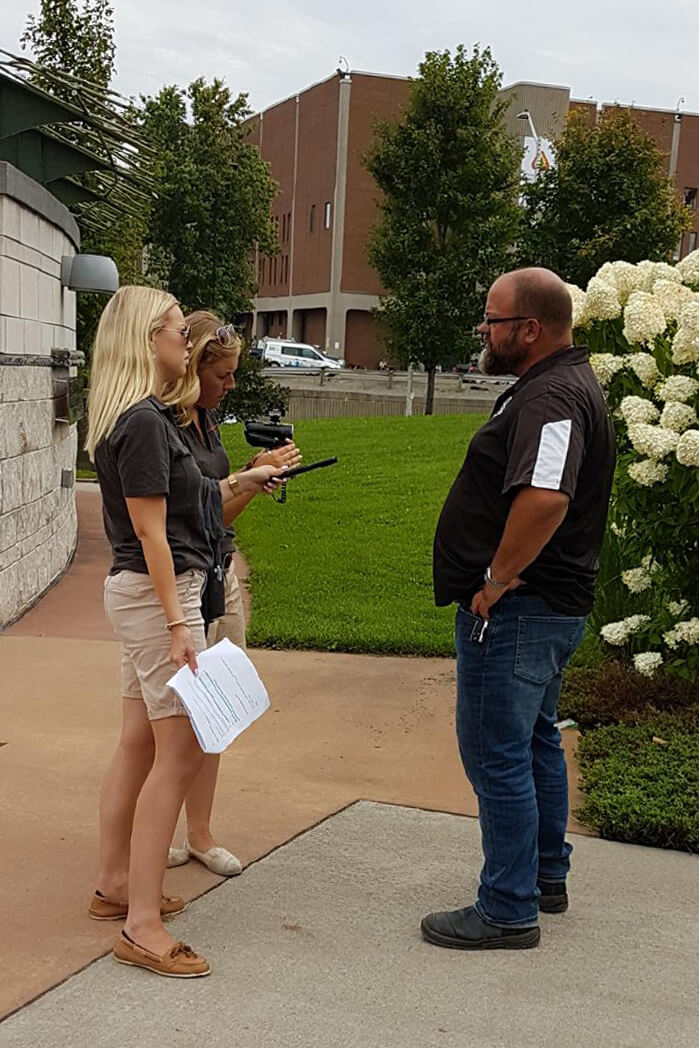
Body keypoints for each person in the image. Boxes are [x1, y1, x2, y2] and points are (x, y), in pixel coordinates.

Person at [86, 286, 283, 978]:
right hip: (155, 599)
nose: (183, 339)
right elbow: (150, 532)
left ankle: (117, 888)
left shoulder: (150, 419)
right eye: (173, 329)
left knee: (143, 740)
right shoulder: (143, 421)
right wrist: (178, 624)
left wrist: (247, 480)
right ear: (147, 342)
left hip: (154, 595)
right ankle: (141, 927)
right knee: (181, 753)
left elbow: (189, 510)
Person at [422, 267, 615, 951]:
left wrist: (498, 579)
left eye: (492, 319)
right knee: (531, 741)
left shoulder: (554, 396)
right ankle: (541, 876)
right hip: (544, 607)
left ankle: (507, 907)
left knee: (495, 753)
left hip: (522, 608)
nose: (484, 329)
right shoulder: (551, 387)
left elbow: (545, 495)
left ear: (527, 329)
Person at [165, 310, 301, 876]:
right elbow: (189, 514)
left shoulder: (207, 424)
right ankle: (164, 829)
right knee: (173, 721)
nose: (231, 386)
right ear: (194, 367)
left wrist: (252, 478)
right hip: (187, 584)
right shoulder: (165, 426)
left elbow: (218, 515)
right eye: (222, 376)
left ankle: (199, 833)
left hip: (221, 577)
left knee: (215, 714)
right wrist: (246, 479)